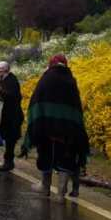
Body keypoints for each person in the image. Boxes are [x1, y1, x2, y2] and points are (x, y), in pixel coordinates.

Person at [24, 53, 89, 199]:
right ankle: (61, 193)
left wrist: (36, 123)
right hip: (67, 131)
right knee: (66, 159)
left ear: (51, 64)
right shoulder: (71, 80)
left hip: (46, 129)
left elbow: (36, 101)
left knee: (46, 156)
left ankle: (45, 188)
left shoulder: (46, 77)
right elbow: (76, 107)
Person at [0, 61, 24, 172]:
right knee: (6, 138)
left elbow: (15, 97)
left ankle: (8, 162)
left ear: (6, 69)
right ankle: (6, 161)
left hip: (12, 116)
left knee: (10, 140)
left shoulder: (12, 81)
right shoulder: (0, 80)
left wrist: (2, 92)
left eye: (0, 69)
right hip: (4, 115)